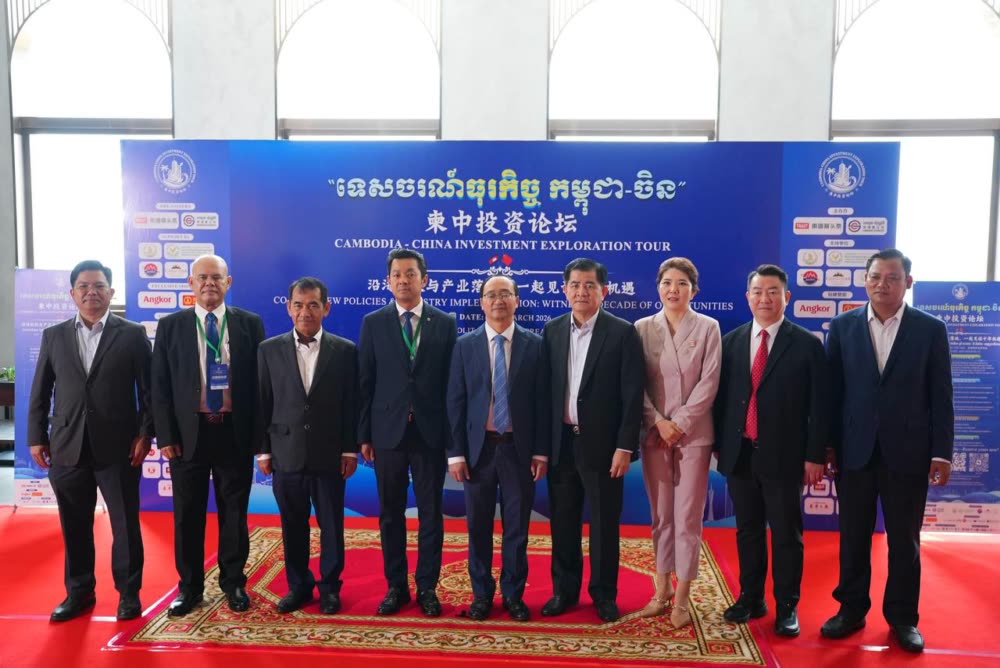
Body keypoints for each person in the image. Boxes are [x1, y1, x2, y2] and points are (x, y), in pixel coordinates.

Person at [820, 249, 953, 653]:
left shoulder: (930, 329)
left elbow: (941, 395)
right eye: (875, 277)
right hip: (854, 451)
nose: (883, 284)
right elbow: (831, 394)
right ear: (865, 280)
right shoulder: (843, 327)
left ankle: (902, 617)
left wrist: (942, 452)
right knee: (853, 537)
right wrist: (828, 444)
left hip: (909, 453)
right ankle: (851, 609)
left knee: (904, 541)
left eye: (892, 278)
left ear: (907, 282)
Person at [27, 260, 153, 622]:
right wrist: (36, 437)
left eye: (99, 286)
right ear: (72, 293)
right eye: (83, 286)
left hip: (119, 446)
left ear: (111, 292)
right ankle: (79, 592)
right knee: (74, 523)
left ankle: (128, 593)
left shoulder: (132, 334)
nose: (91, 292)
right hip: (67, 444)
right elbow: (41, 390)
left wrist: (145, 433)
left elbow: (149, 391)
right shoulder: (54, 335)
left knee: (125, 525)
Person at [713, 264, 830, 637]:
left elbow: (820, 406)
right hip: (740, 453)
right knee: (747, 530)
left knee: (785, 535)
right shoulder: (731, 342)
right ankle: (751, 597)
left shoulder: (807, 345)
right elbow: (721, 400)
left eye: (773, 291)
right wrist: (719, 445)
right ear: (747, 297)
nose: (764, 298)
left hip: (785, 456)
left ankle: (787, 605)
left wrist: (815, 455)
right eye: (758, 291)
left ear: (787, 297)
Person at [152, 254, 265, 616]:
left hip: (233, 431)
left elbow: (260, 386)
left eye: (216, 277)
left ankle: (233, 583)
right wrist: (165, 435)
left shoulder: (249, 324)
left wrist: (259, 438)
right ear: (191, 283)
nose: (209, 284)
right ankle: (189, 588)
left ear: (228, 282)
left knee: (234, 513)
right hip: (188, 435)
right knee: (187, 515)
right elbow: (159, 386)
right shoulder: (171, 326)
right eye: (202, 277)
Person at [540, 258, 644, 623]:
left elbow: (633, 395)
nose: (581, 291)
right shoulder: (552, 330)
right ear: (564, 289)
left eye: (589, 285)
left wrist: (625, 446)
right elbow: (545, 394)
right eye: (575, 284)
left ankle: (603, 594)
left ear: (604, 291)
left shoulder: (622, 332)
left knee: (603, 524)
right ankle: (564, 591)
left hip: (604, 447)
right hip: (562, 443)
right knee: (562, 522)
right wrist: (543, 447)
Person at [358, 248, 457, 617]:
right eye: (397, 274)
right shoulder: (374, 322)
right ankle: (396, 586)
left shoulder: (444, 323)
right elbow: (365, 381)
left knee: (431, 513)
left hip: (430, 433)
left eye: (410, 274)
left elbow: (452, 385)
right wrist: (364, 434)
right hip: (388, 433)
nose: (403, 280)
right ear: (388, 281)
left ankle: (427, 587)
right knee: (390, 513)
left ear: (424, 279)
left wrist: (452, 437)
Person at [446, 275, 549, 622]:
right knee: (478, 528)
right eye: (491, 294)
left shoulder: (535, 345)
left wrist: (540, 452)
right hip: (479, 452)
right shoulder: (465, 345)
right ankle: (481, 595)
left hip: (519, 450)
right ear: (482, 302)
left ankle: (514, 596)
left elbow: (542, 403)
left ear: (517, 300)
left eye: (505, 294)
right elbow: (455, 402)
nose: (498, 300)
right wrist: (456, 453)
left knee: (517, 528)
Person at [257, 277, 359, 615]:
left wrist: (349, 449)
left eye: (313, 305)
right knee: (293, 525)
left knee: (332, 526)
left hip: (329, 454)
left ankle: (330, 588)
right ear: (288, 308)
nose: (305, 312)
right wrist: (264, 450)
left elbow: (350, 403)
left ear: (326, 308)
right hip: (285, 453)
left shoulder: (345, 350)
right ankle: (298, 585)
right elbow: (262, 401)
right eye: (299, 305)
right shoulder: (268, 350)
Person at [633, 258, 721, 628]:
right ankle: (662, 588)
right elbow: (634, 383)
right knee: (661, 515)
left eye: (682, 283)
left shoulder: (708, 327)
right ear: (658, 287)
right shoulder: (642, 328)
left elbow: (710, 381)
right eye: (667, 282)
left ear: (693, 290)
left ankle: (683, 595)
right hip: (654, 433)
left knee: (687, 516)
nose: (674, 290)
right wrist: (657, 421)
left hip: (694, 435)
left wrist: (679, 423)